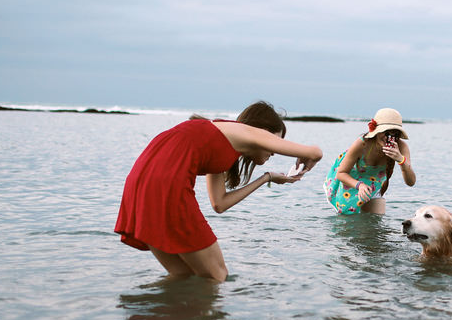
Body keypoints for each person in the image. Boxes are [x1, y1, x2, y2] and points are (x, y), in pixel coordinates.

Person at [115, 101, 322, 281]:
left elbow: (219, 204)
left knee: (184, 275)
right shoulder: (244, 132)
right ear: (263, 132)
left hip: (139, 182)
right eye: (275, 142)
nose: (274, 151)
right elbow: (315, 152)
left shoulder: (222, 140)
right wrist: (307, 160)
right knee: (218, 274)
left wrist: (266, 178)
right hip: (165, 183)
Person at [323, 108, 416, 215]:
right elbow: (341, 174)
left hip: (374, 184)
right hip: (351, 181)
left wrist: (401, 160)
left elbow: (411, 182)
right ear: (376, 131)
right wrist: (360, 185)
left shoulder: (402, 147)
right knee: (347, 223)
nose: (389, 138)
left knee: (375, 222)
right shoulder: (362, 144)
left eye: (394, 134)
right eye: (386, 133)